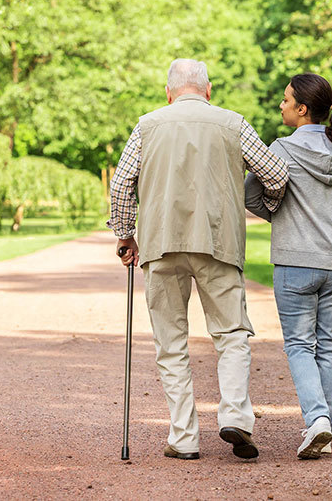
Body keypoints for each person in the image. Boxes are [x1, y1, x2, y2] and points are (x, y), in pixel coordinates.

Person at [108, 59, 289, 460]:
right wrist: (263, 205)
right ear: (208, 91)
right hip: (218, 241)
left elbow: (122, 183)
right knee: (231, 335)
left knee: (171, 345)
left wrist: (125, 234)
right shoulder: (232, 122)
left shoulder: (148, 124)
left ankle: (185, 438)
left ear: (168, 92)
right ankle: (236, 418)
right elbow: (276, 175)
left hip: (160, 243)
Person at [245, 73, 332, 459]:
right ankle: (324, 427)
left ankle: (317, 420)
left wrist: (278, 214)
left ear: (302, 109)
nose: (280, 105)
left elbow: (250, 193)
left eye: (285, 100)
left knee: (299, 345)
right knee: (328, 349)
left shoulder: (280, 149)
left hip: (295, 263)